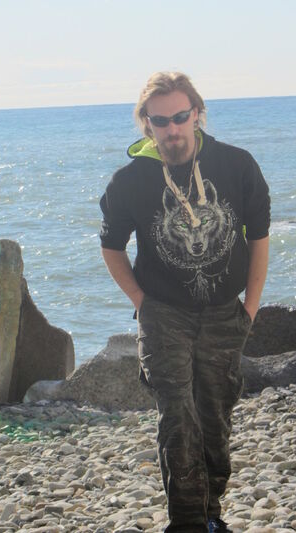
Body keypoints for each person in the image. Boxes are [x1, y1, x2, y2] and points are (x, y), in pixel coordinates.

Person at [99, 71, 270, 533]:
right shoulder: (130, 181)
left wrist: (250, 308)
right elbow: (111, 245)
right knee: (177, 419)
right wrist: (142, 302)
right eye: (160, 121)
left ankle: (211, 515)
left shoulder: (237, 166)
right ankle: (187, 523)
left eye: (180, 117)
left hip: (224, 314)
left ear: (197, 113)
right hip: (163, 314)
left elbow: (259, 236)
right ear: (146, 123)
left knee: (214, 419)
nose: (172, 129)